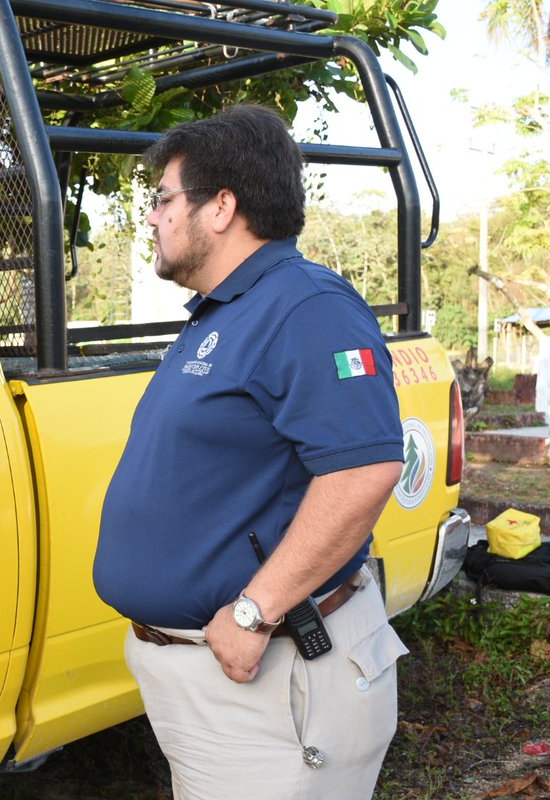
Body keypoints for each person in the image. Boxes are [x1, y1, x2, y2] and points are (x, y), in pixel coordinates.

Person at [92, 105, 407, 799]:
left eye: (164, 199)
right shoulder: (229, 309)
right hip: (212, 681)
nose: (153, 217)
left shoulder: (305, 306)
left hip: (271, 670)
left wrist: (251, 612)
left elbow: (363, 470)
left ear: (221, 206)